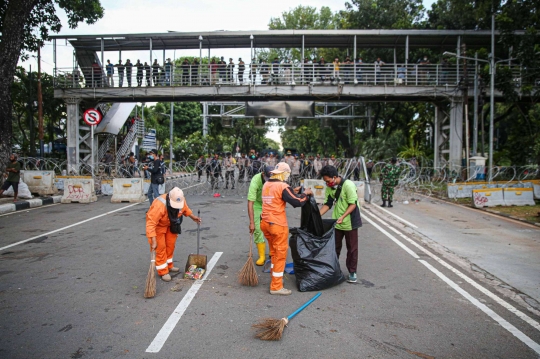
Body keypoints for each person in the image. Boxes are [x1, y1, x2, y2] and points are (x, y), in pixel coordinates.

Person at [261, 163, 313, 295]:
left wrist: (292, 191)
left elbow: (282, 196)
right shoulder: (283, 186)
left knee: (273, 252)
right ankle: (276, 286)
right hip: (277, 225)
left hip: (265, 223)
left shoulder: (267, 184)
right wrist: (306, 194)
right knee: (280, 255)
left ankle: (274, 276)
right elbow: (297, 202)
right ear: (283, 173)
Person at [146, 187, 201, 281]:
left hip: (172, 224)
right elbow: (151, 223)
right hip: (159, 226)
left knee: (170, 245)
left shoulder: (180, 199)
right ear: (169, 198)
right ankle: (163, 271)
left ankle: (169, 265)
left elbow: (185, 209)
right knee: (160, 247)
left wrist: (193, 217)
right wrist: (153, 240)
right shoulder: (159, 204)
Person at [319, 165, 362, 283]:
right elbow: (328, 204)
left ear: (334, 177)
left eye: (328, 181)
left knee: (352, 248)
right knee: (335, 247)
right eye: (325, 181)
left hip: (350, 221)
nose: (327, 183)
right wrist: (317, 216)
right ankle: (334, 269)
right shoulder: (330, 187)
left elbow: (353, 204)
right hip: (337, 222)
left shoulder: (348, 185)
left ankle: (352, 271)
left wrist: (343, 216)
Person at [247, 166, 273, 266]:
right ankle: (262, 256)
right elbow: (250, 202)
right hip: (258, 204)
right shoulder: (255, 180)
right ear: (263, 174)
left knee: (272, 228)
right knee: (257, 229)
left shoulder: (275, 179)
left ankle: (272, 251)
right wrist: (252, 222)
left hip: (270, 203)